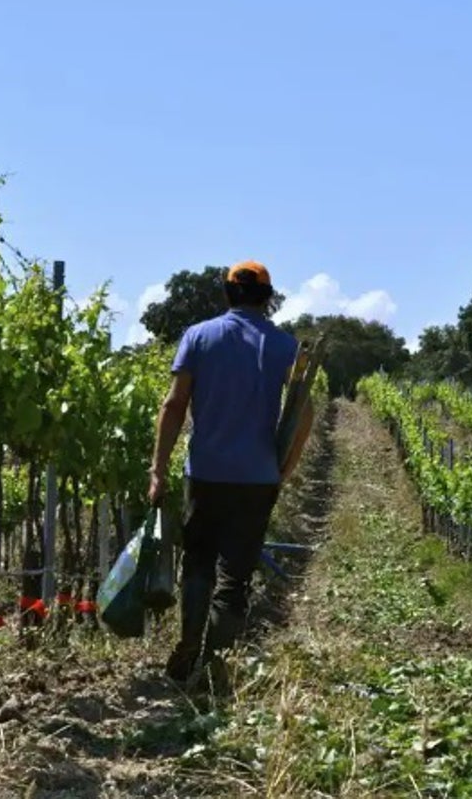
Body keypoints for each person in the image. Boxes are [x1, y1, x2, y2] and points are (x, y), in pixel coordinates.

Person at [147, 260, 314, 687]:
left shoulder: (198, 337)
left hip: (204, 474)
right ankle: (215, 666)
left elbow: (173, 405)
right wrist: (285, 469)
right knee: (235, 576)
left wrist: (158, 469)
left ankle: (188, 645)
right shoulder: (284, 347)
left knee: (198, 565)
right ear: (267, 299)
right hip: (257, 479)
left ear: (227, 293)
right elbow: (304, 415)